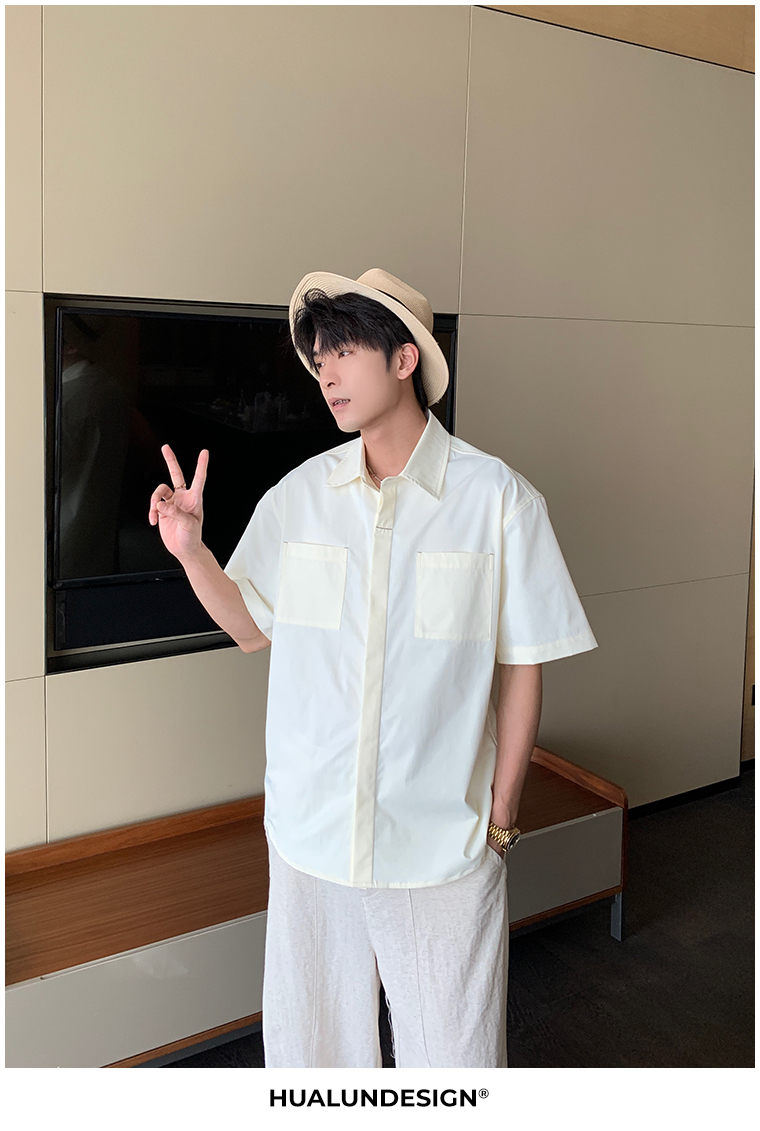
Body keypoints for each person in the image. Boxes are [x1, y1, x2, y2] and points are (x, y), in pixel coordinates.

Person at [148, 268, 598, 1068]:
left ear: (403, 358)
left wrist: (500, 819)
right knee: (313, 1057)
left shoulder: (498, 500)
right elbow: (250, 628)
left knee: (455, 1061)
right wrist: (191, 553)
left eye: (345, 350)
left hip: (441, 843)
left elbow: (523, 665)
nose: (326, 371)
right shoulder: (299, 497)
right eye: (319, 356)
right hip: (311, 837)